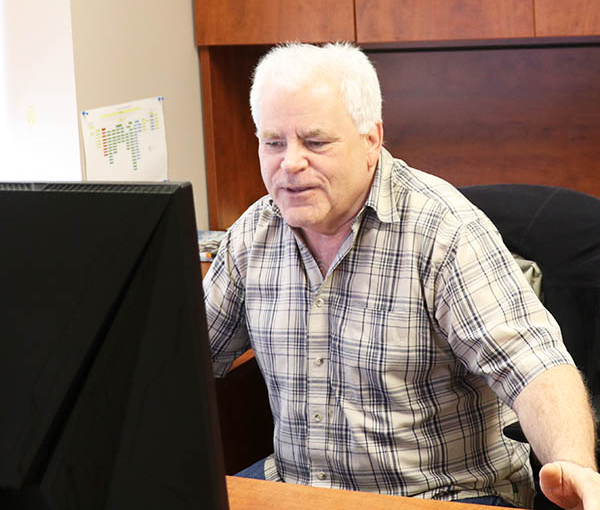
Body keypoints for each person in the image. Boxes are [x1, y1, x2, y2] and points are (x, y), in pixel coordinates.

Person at [203, 42, 600, 508]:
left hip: (441, 495)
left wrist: (573, 462)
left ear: (371, 139)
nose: (290, 163)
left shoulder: (444, 231)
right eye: (273, 142)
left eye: (315, 142)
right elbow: (187, 359)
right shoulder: (254, 234)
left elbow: (534, 365)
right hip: (299, 490)